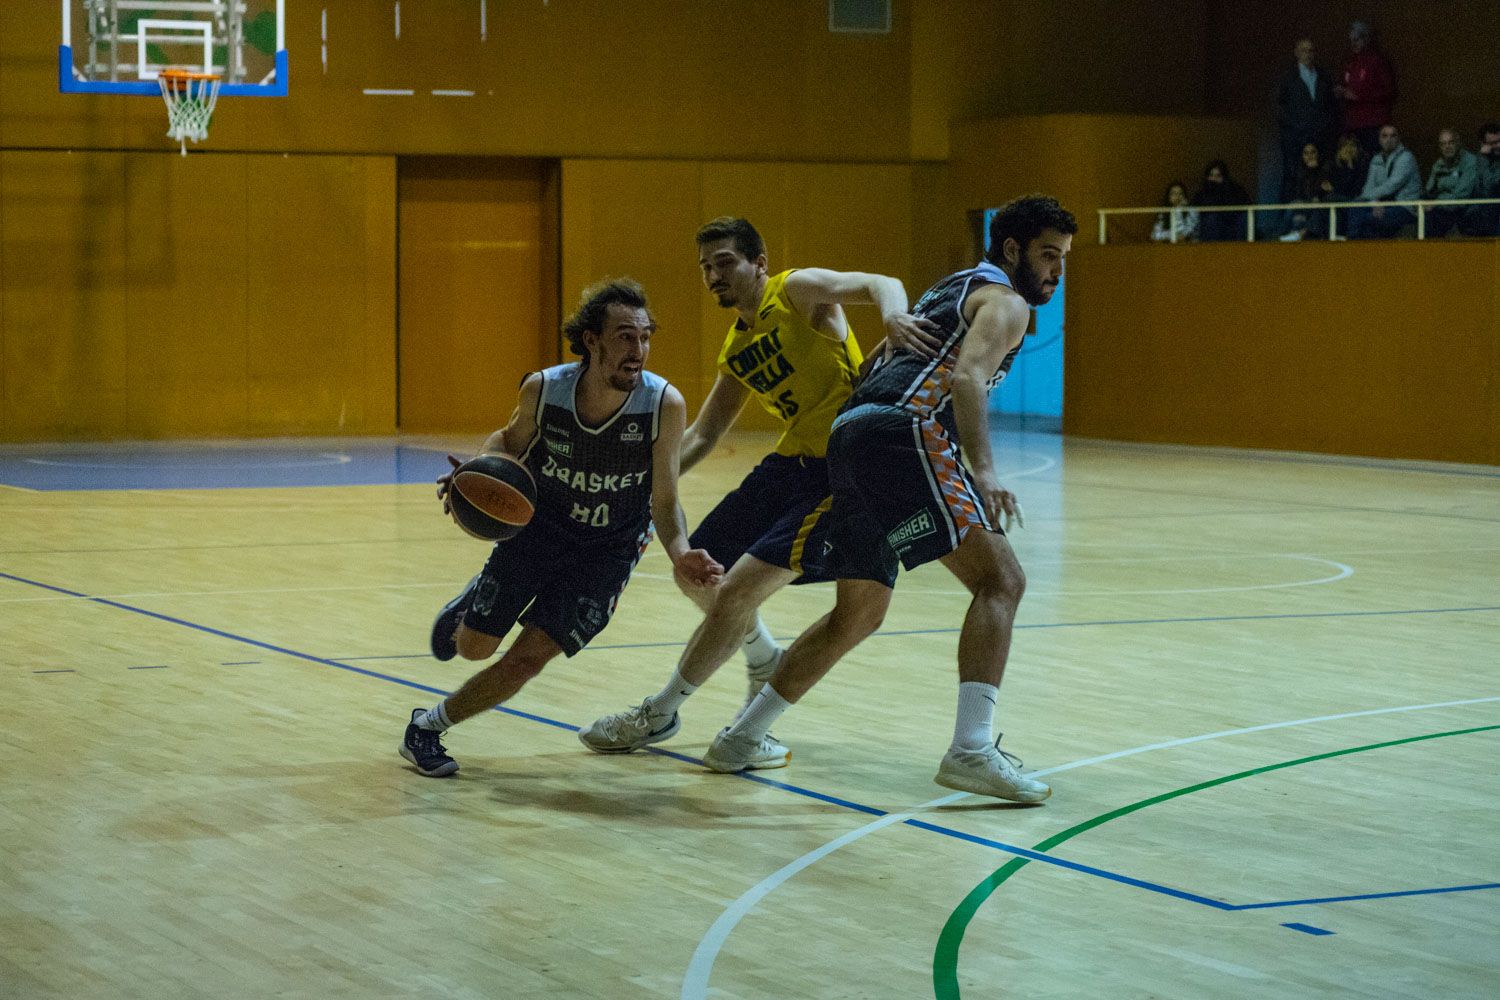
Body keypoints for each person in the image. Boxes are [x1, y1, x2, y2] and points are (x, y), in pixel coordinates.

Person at [700, 194, 1078, 804]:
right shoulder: (1006, 302)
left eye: (1062, 258)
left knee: (859, 613)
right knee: (1001, 581)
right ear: (1013, 250)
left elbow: (878, 358)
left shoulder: (949, 288)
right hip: (905, 432)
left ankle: (741, 737)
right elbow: (966, 378)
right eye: (1048, 255)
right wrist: (983, 470)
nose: (1057, 270)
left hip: (853, 437)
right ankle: (971, 749)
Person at [577, 218, 939, 756]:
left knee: (739, 590)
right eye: (705, 267)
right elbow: (703, 435)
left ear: (759, 262)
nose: (713, 275)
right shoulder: (738, 345)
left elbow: (878, 281)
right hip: (789, 466)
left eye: (724, 262)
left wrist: (893, 318)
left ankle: (660, 712)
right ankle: (764, 657)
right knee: (696, 571)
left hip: (840, 469)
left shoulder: (795, 292)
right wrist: (644, 485)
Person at [401, 279, 724, 777]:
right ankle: (472, 602)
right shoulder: (545, 389)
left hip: (608, 550)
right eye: (625, 337)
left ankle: (426, 727)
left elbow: (665, 498)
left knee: (527, 660)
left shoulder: (664, 404)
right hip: (540, 530)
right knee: (472, 648)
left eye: (645, 337)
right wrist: (476, 473)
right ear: (592, 340)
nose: (638, 350)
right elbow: (507, 442)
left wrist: (681, 551)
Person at [1275, 38, 1338, 201]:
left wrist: (1324, 125)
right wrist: (1295, 126)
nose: (1308, 54)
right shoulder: (1288, 77)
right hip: (1295, 137)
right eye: (1304, 50)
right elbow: (1280, 107)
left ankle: (1319, 210)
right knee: (1293, 174)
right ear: (1296, 53)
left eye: (1311, 50)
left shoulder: (1324, 76)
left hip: (1320, 135)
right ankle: (1290, 210)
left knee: (1321, 172)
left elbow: (1331, 105)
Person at [1335, 21, 1397, 156]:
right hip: (1353, 125)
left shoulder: (1377, 61)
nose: (1353, 44)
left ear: (1366, 39)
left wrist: (1360, 96)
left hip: (1372, 124)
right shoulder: (1350, 62)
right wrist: (1341, 91)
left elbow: (1388, 91)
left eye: (1356, 39)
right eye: (1351, 40)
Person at [1350, 124, 1419, 239]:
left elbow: (1391, 185)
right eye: (1385, 136)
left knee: (1367, 219)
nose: (1389, 139)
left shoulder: (1406, 157)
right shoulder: (1376, 159)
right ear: (1379, 139)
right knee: (1355, 206)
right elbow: (1369, 186)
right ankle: (1352, 245)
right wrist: (1374, 203)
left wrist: (1366, 197)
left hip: (1404, 207)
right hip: (1384, 204)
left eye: (1393, 136)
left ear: (1398, 139)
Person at [1423, 128, 1483, 237]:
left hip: (1464, 207)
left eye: (1451, 142)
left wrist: (1436, 203)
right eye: (1443, 144)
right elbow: (1429, 190)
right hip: (1441, 208)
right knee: (1424, 216)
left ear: (1458, 143)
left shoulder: (1470, 162)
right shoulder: (1439, 164)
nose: (1447, 147)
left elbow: (1461, 196)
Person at [1280, 143, 1331, 241]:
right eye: (1306, 153)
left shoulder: (1324, 169)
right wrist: (1309, 170)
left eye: (1312, 152)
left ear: (1318, 154)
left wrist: (1314, 170)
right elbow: (1297, 192)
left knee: (1296, 207)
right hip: (1303, 205)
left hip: (1320, 206)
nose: (1309, 156)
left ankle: (1281, 234)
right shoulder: (1298, 171)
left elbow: (1322, 191)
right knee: (1297, 216)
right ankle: (1285, 236)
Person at [1458, 122, 1500, 237]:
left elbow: (1489, 187)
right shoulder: (1475, 160)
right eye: (1493, 143)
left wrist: (1483, 158)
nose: (1499, 145)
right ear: (1483, 144)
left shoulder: (1482, 159)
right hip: (1480, 212)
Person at [1192, 160, 1250, 242]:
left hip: (1231, 227)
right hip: (1210, 230)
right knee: (1211, 219)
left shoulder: (1234, 190)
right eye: (1211, 175)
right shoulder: (1202, 194)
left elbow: (1244, 205)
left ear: (1224, 177)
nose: (1214, 179)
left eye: (1218, 176)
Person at [1327, 132, 1369, 237]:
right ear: (1340, 149)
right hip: (1339, 202)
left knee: (1331, 198)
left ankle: (1306, 232)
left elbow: (1355, 190)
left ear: (1358, 149)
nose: (1349, 149)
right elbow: (1329, 186)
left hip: (1356, 202)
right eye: (1345, 145)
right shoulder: (1333, 166)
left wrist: (1350, 167)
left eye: (1352, 145)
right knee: (1326, 205)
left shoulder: (1363, 164)